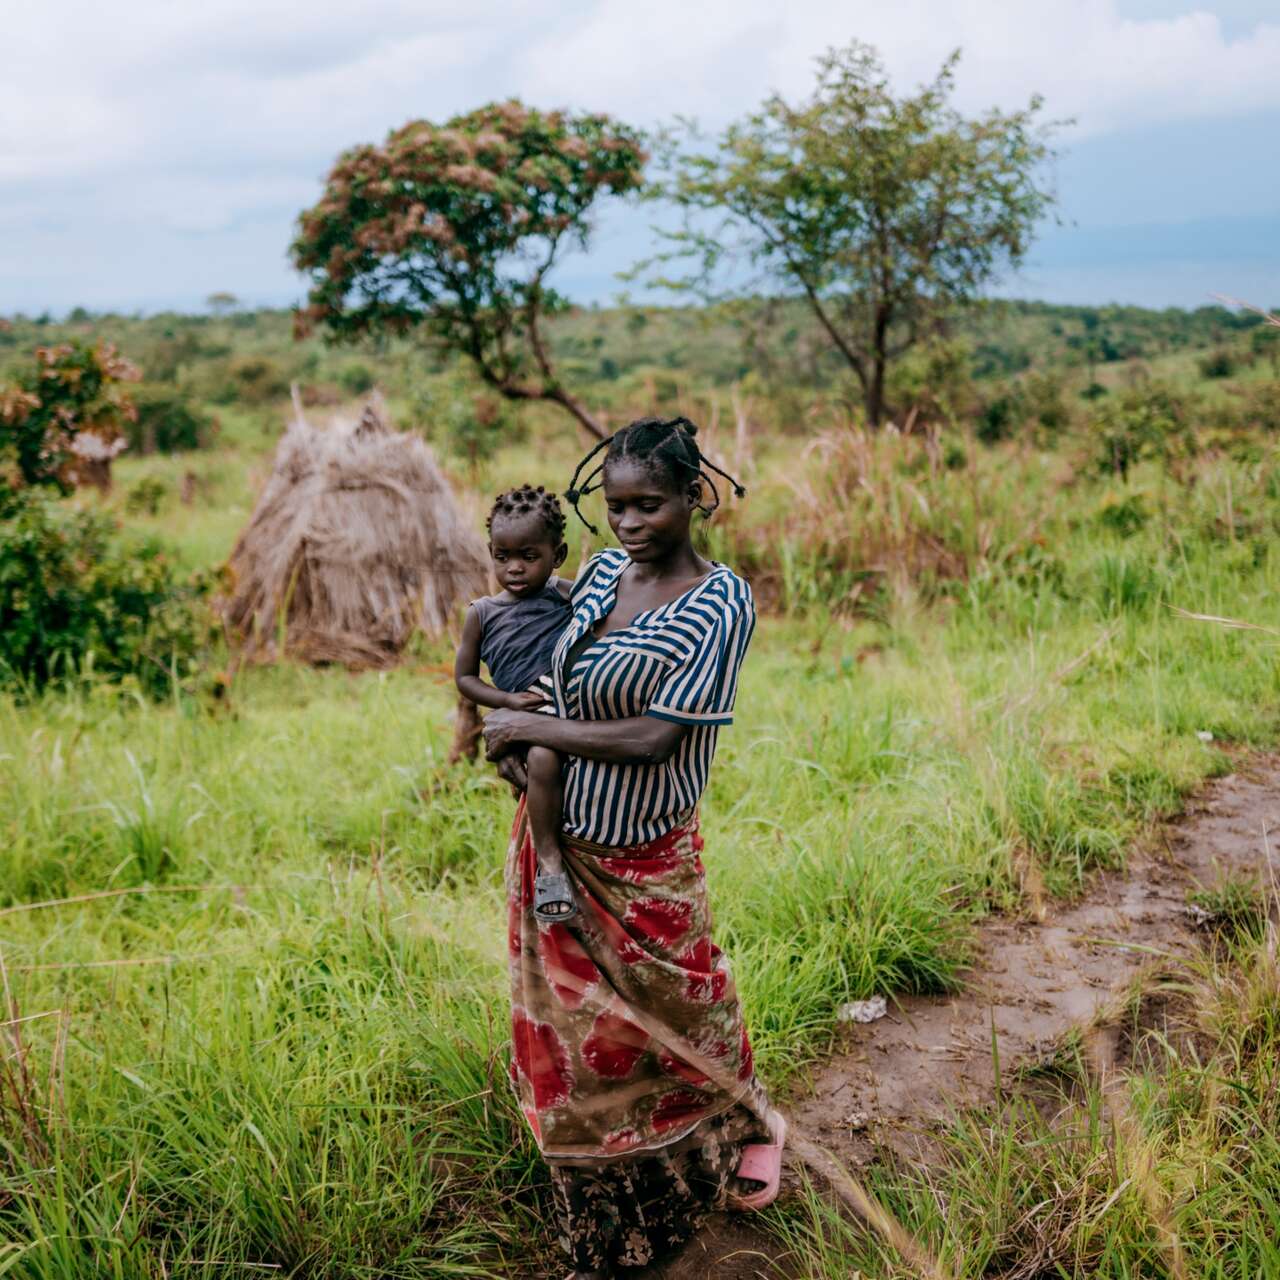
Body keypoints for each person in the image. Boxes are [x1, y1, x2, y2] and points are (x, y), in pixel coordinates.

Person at [482, 417, 786, 1280]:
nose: (629, 524)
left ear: (693, 496)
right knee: (579, 1036)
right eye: (615, 507)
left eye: (648, 504)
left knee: (689, 1006)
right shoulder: (605, 572)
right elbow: (563, 669)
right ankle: (608, 1204)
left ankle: (749, 1124)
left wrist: (533, 726)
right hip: (558, 841)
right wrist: (521, 726)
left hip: (644, 849)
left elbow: (654, 736)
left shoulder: (719, 601)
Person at [454, 485, 579, 920]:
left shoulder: (570, 598)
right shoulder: (483, 613)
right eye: (502, 557)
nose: (515, 569)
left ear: (557, 554)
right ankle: (550, 864)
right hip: (520, 722)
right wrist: (504, 700)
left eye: (529, 556)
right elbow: (465, 678)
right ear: (490, 552)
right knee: (542, 762)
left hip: (568, 714)